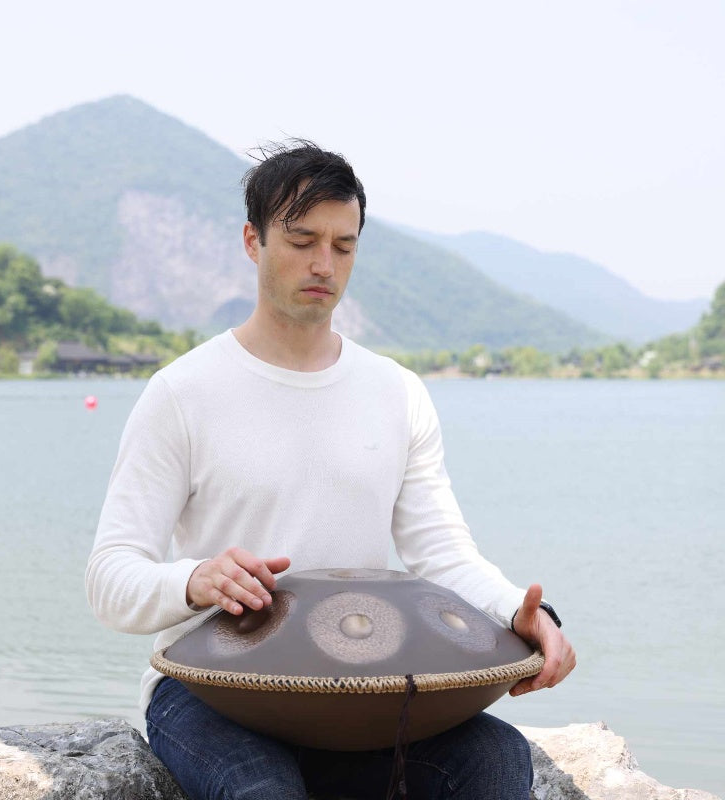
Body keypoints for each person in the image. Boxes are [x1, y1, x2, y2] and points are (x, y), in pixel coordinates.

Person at [85, 140, 575, 799]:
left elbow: (442, 556)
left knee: (494, 761)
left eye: (344, 246)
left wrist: (518, 612)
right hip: (214, 694)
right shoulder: (183, 392)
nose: (324, 264)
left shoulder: (396, 391)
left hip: (363, 698)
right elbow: (110, 576)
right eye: (302, 240)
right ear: (252, 241)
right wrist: (197, 579)